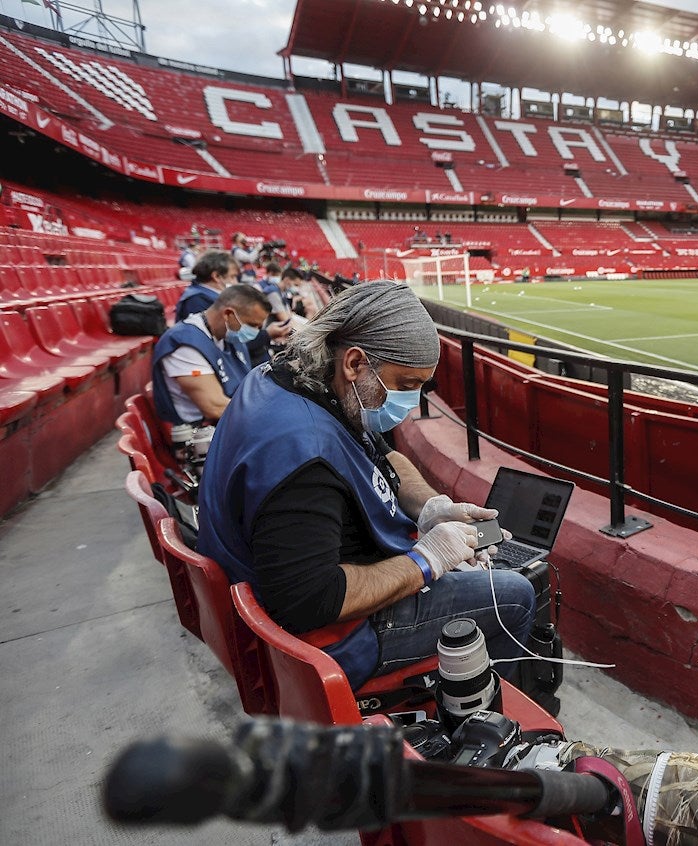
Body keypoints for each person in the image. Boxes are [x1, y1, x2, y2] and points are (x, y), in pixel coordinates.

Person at [198, 280, 536, 690]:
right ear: (355, 363)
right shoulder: (304, 458)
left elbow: (381, 457)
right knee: (515, 593)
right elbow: (309, 601)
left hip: (281, 591)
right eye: (407, 384)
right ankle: (488, 727)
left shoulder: (295, 380)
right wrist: (427, 561)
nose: (411, 402)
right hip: (324, 644)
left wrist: (430, 505)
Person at [151, 284, 270, 426]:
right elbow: (215, 407)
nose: (256, 331)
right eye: (252, 325)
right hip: (200, 433)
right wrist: (268, 417)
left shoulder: (230, 335)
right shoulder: (185, 343)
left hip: (232, 421)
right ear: (228, 314)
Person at [175, 250, 237, 322]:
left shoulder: (203, 294)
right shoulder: (196, 300)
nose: (235, 282)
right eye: (232, 277)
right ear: (216, 276)